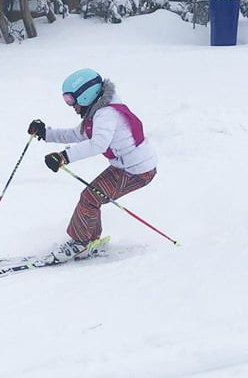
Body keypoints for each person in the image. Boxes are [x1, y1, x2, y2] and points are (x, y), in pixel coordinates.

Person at [28, 68, 157, 262]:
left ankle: (80, 243)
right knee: (91, 198)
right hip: (127, 167)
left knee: (90, 198)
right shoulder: (98, 113)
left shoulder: (106, 115)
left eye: (70, 100)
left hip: (137, 170)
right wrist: (46, 133)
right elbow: (77, 134)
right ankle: (88, 240)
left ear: (86, 96)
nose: (70, 105)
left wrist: (64, 157)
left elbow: (98, 144)